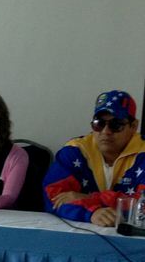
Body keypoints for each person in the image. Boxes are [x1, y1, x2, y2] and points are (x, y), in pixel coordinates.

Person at [43, 90, 145, 226]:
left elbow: (142, 207)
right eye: (99, 124)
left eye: (116, 125)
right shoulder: (75, 151)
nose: (106, 131)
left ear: (133, 126)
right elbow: (53, 199)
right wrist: (91, 213)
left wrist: (90, 198)